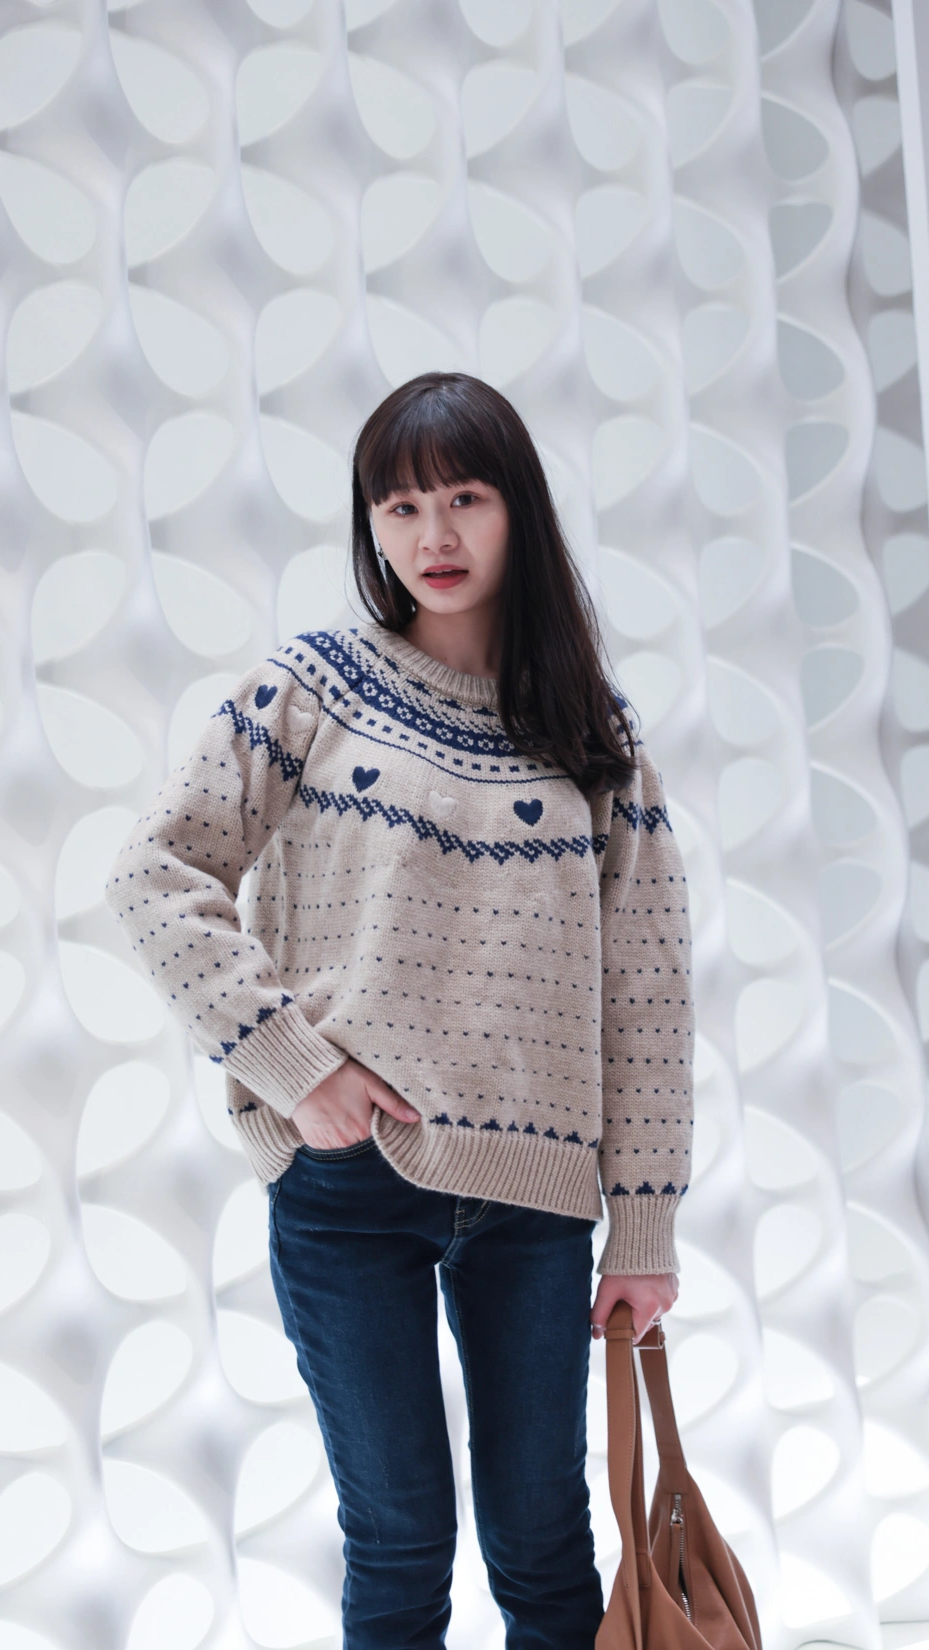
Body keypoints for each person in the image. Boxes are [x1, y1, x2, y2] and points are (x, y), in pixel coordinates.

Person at [107, 372, 695, 1650]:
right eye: (400, 505)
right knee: (398, 1546)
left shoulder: (593, 734)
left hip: (536, 1198)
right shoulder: (311, 688)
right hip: (349, 1186)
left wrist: (643, 1230)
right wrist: (294, 1067)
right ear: (369, 523)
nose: (432, 536)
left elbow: (645, 994)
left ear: (516, 510)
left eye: (464, 499)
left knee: (544, 1547)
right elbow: (155, 874)